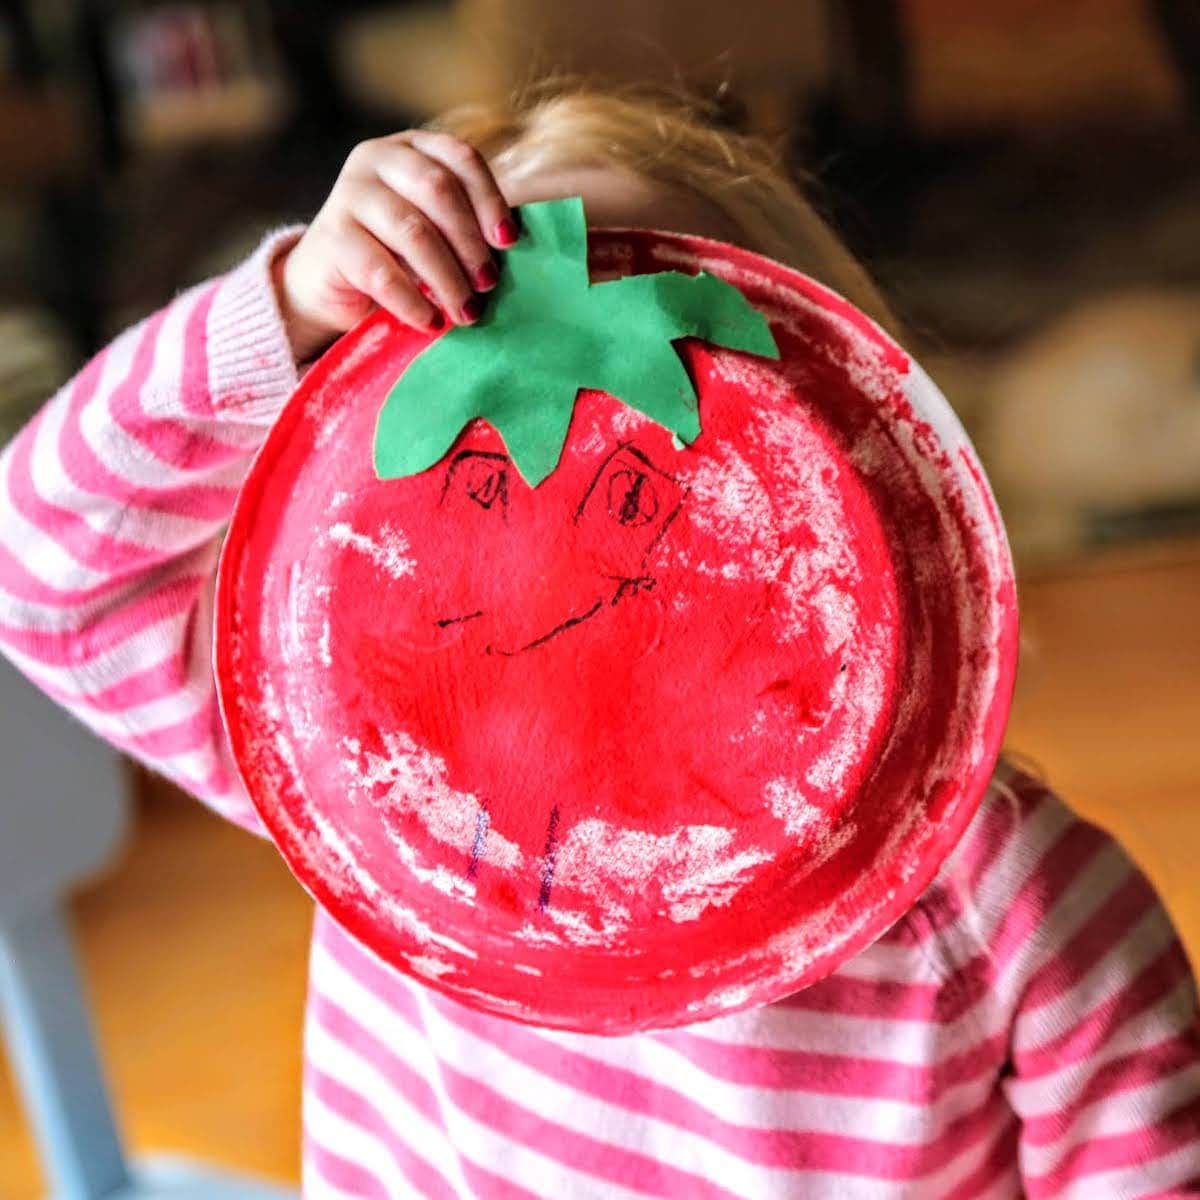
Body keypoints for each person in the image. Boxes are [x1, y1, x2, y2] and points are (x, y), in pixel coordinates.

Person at [1, 84, 1198, 1198]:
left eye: (651, 482)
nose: (575, 547)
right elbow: (43, 574)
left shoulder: (1004, 913)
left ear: (845, 466)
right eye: (496, 472)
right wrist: (285, 313)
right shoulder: (377, 797)